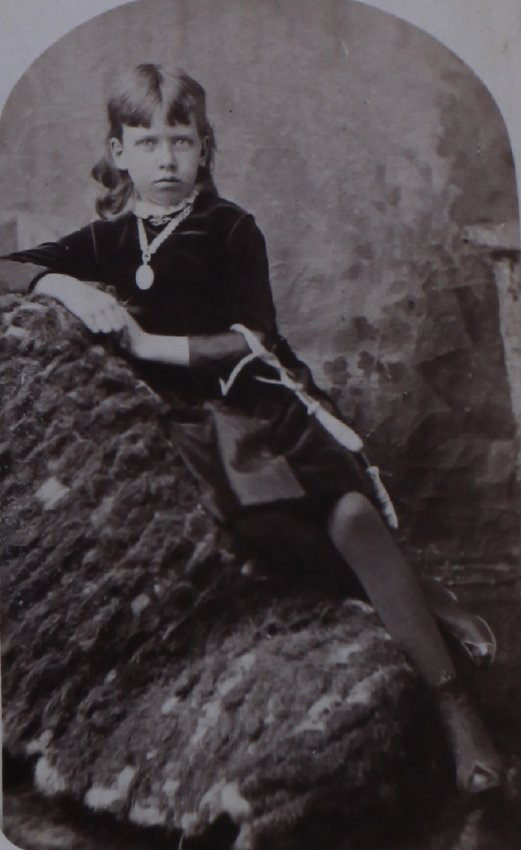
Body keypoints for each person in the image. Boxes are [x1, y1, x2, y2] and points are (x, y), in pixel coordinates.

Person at [1, 63, 503, 793]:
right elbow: (7, 266)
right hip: (191, 425)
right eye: (146, 143)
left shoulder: (230, 228)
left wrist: (145, 346)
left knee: (352, 514)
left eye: (182, 140)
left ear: (204, 149)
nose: (165, 159)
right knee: (275, 538)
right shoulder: (106, 241)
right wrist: (58, 282)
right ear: (118, 153)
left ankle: (458, 711)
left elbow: (251, 336)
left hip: (260, 396)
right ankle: (420, 599)